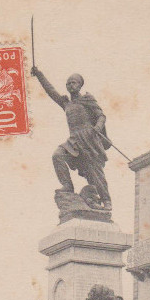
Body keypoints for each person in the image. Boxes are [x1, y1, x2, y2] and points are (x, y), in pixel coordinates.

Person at [31, 67, 112, 209]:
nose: (70, 85)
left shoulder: (87, 99)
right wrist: (39, 75)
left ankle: (106, 200)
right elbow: (51, 91)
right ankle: (67, 185)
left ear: (80, 85)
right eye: (68, 83)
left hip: (89, 139)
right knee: (58, 155)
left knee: (95, 173)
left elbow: (101, 115)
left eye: (73, 83)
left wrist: (98, 127)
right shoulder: (66, 104)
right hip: (74, 140)